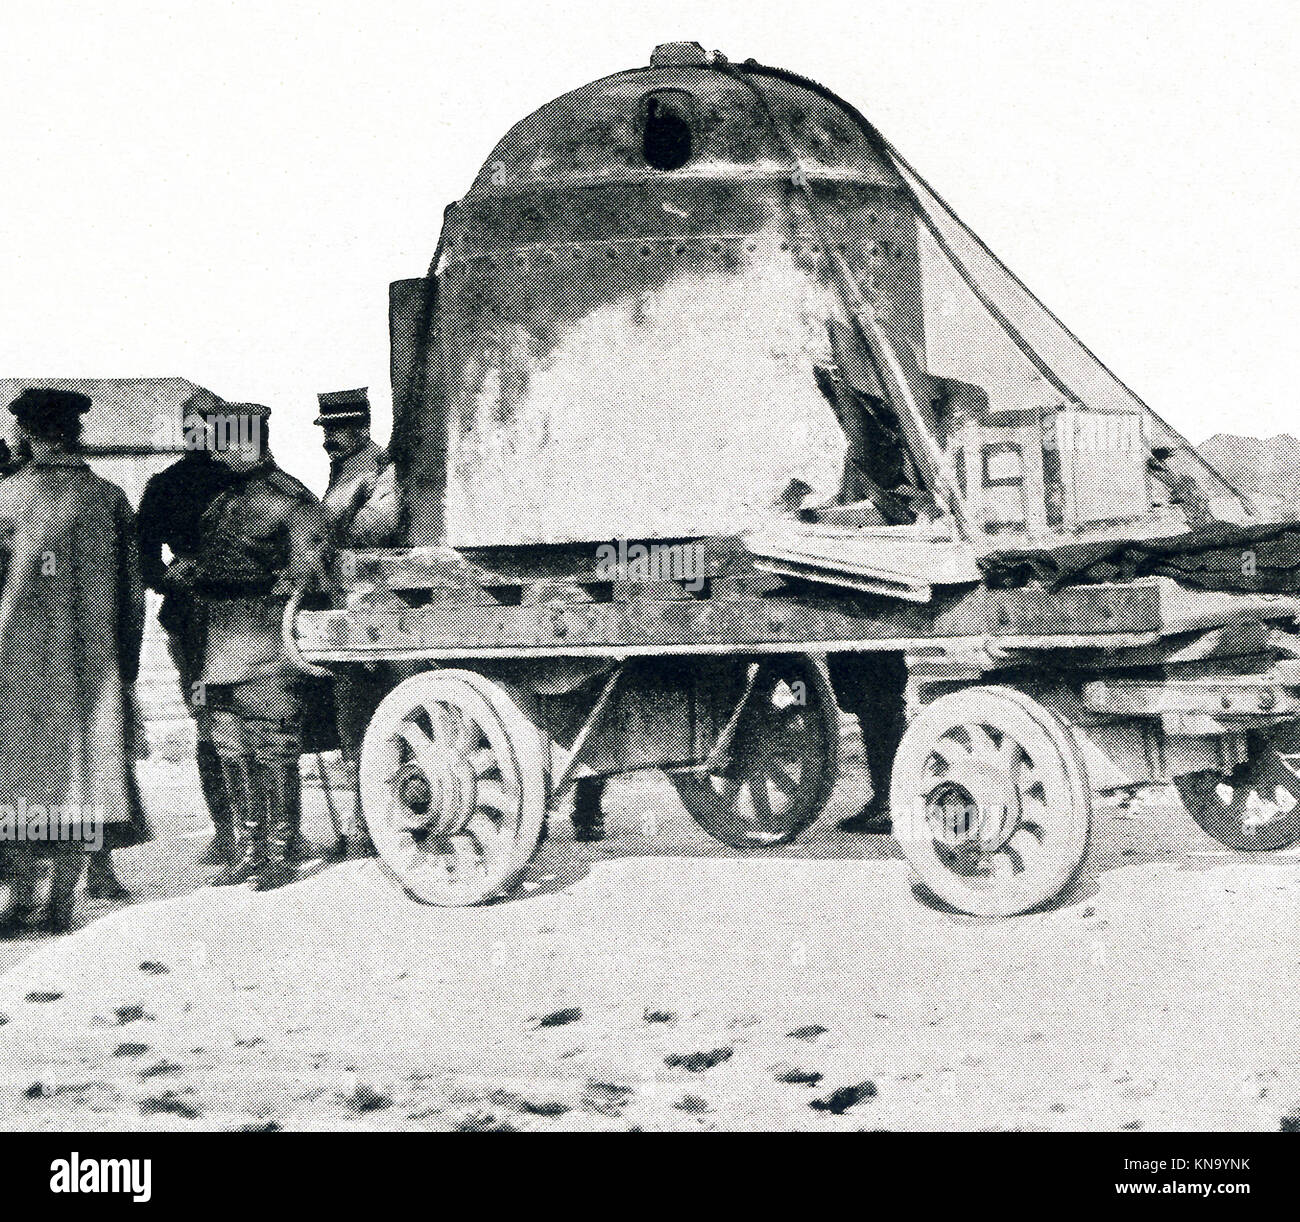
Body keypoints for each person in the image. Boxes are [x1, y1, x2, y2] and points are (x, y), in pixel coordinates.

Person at [0, 389, 150, 933]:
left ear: (27, 434)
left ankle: (20, 900)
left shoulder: (6, 499)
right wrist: (125, 665)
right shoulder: (108, 500)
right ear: (74, 432)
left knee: (19, 779)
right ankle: (63, 898)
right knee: (83, 779)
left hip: (16, 665)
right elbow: (133, 594)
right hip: (94, 666)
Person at [192, 404, 331, 890]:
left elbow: (309, 575)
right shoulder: (225, 499)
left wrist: (219, 577)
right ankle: (246, 849)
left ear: (246, 440)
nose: (212, 448)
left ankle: (279, 851)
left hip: (268, 640)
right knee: (231, 748)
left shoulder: (290, 500)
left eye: (220, 439)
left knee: (271, 747)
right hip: (224, 641)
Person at [136, 389, 238, 867]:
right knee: (209, 719)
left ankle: (257, 831)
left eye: (210, 423)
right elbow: (143, 559)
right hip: (191, 620)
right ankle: (227, 828)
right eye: (194, 424)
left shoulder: (244, 482)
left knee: (247, 720)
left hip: (242, 615)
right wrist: (172, 575)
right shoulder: (164, 486)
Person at [313, 388, 399, 856]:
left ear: (360, 427)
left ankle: (376, 828)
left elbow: (382, 524)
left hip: (374, 601)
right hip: (347, 600)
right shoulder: (345, 471)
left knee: (365, 719)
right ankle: (370, 825)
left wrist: (328, 531)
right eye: (327, 431)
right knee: (353, 723)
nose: (329, 441)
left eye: (338, 431)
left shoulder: (377, 467)